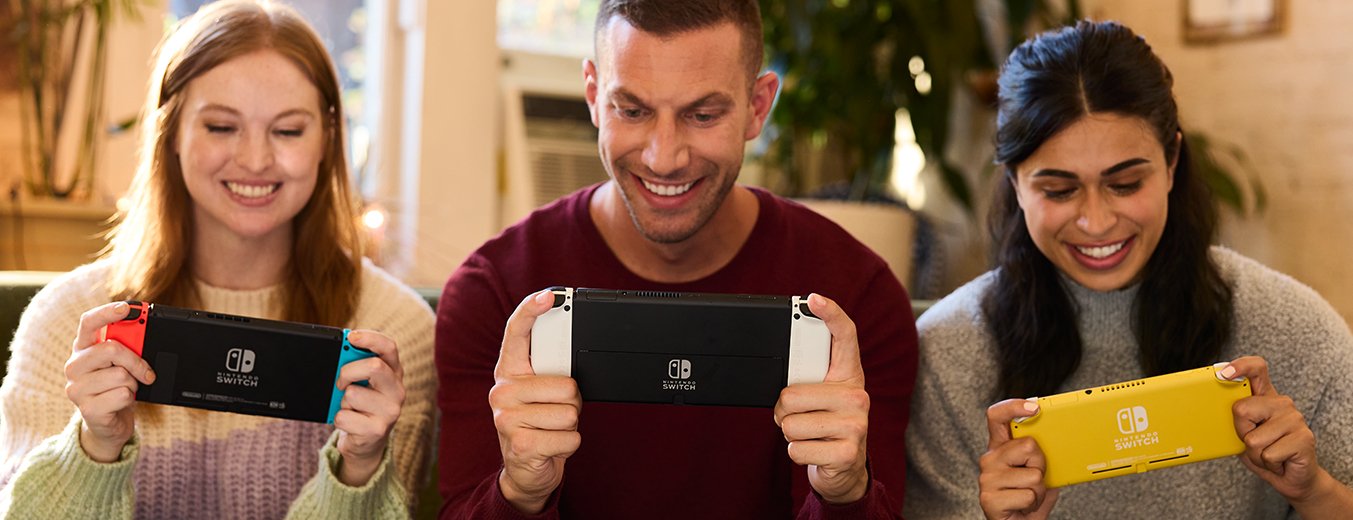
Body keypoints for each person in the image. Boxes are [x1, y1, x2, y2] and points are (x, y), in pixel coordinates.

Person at [434, 0, 917, 517]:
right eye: (632, 111)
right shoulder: (493, 292)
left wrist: (844, 493)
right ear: (594, 96)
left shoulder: (858, 298)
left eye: (703, 115)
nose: (663, 158)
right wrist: (520, 492)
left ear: (758, 107)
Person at [0, 1, 436, 518]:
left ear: (327, 138)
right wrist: (93, 448)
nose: (255, 159)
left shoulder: (394, 331)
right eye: (221, 127)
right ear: (172, 134)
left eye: (288, 131)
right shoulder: (66, 322)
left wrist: (358, 470)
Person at [903, 20, 1353, 519]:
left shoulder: (1295, 331)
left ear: (1172, 162)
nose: (1096, 222)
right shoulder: (949, 353)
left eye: (1126, 184)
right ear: (1014, 183)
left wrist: (1315, 492)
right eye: (1059, 190)